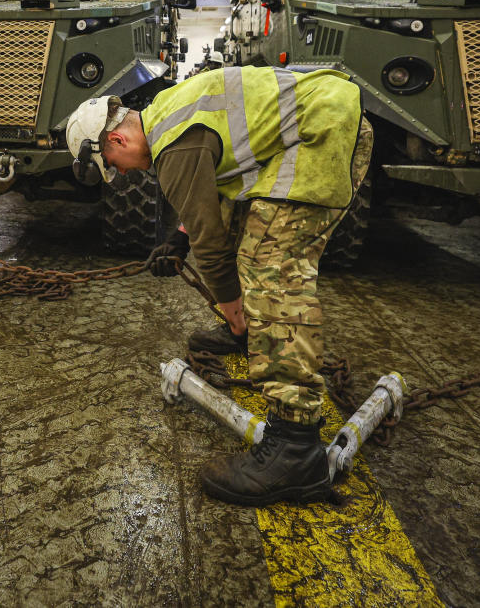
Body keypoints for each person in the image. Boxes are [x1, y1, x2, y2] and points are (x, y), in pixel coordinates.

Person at [66, 65, 372, 507]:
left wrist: (235, 314)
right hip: (322, 117)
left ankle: (295, 447)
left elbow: (211, 243)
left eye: (114, 167)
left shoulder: (172, 145)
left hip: (322, 127)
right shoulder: (166, 114)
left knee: (271, 265)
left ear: (116, 140)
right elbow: (215, 192)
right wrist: (178, 238)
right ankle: (250, 337)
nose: (124, 176)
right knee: (250, 236)